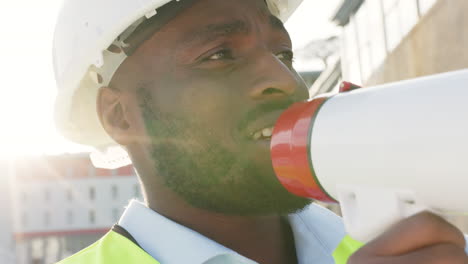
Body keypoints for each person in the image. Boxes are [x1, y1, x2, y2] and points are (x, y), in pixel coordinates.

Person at [52, 0, 468, 263]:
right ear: (120, 116)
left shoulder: (427, 248)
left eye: (283, 53)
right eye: (218, 54)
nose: (286, 80)